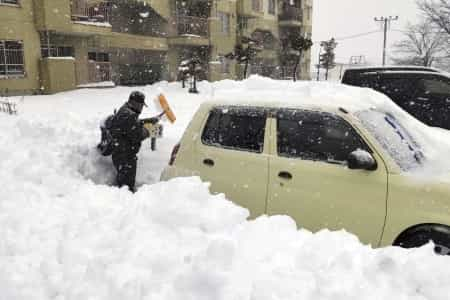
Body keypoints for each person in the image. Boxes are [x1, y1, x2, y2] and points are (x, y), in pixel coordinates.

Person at [110, 91, 150, 192]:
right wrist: (148, 131)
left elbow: (130, 126)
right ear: (135, 103)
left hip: (120, 152)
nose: (141, 109)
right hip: (125, 156)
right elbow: (138, 135)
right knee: (126, 187)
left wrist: (147, 121)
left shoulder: (125, 110)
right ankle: (126, 203)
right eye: (141, 105)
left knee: (123, 183)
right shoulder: (129, 116)